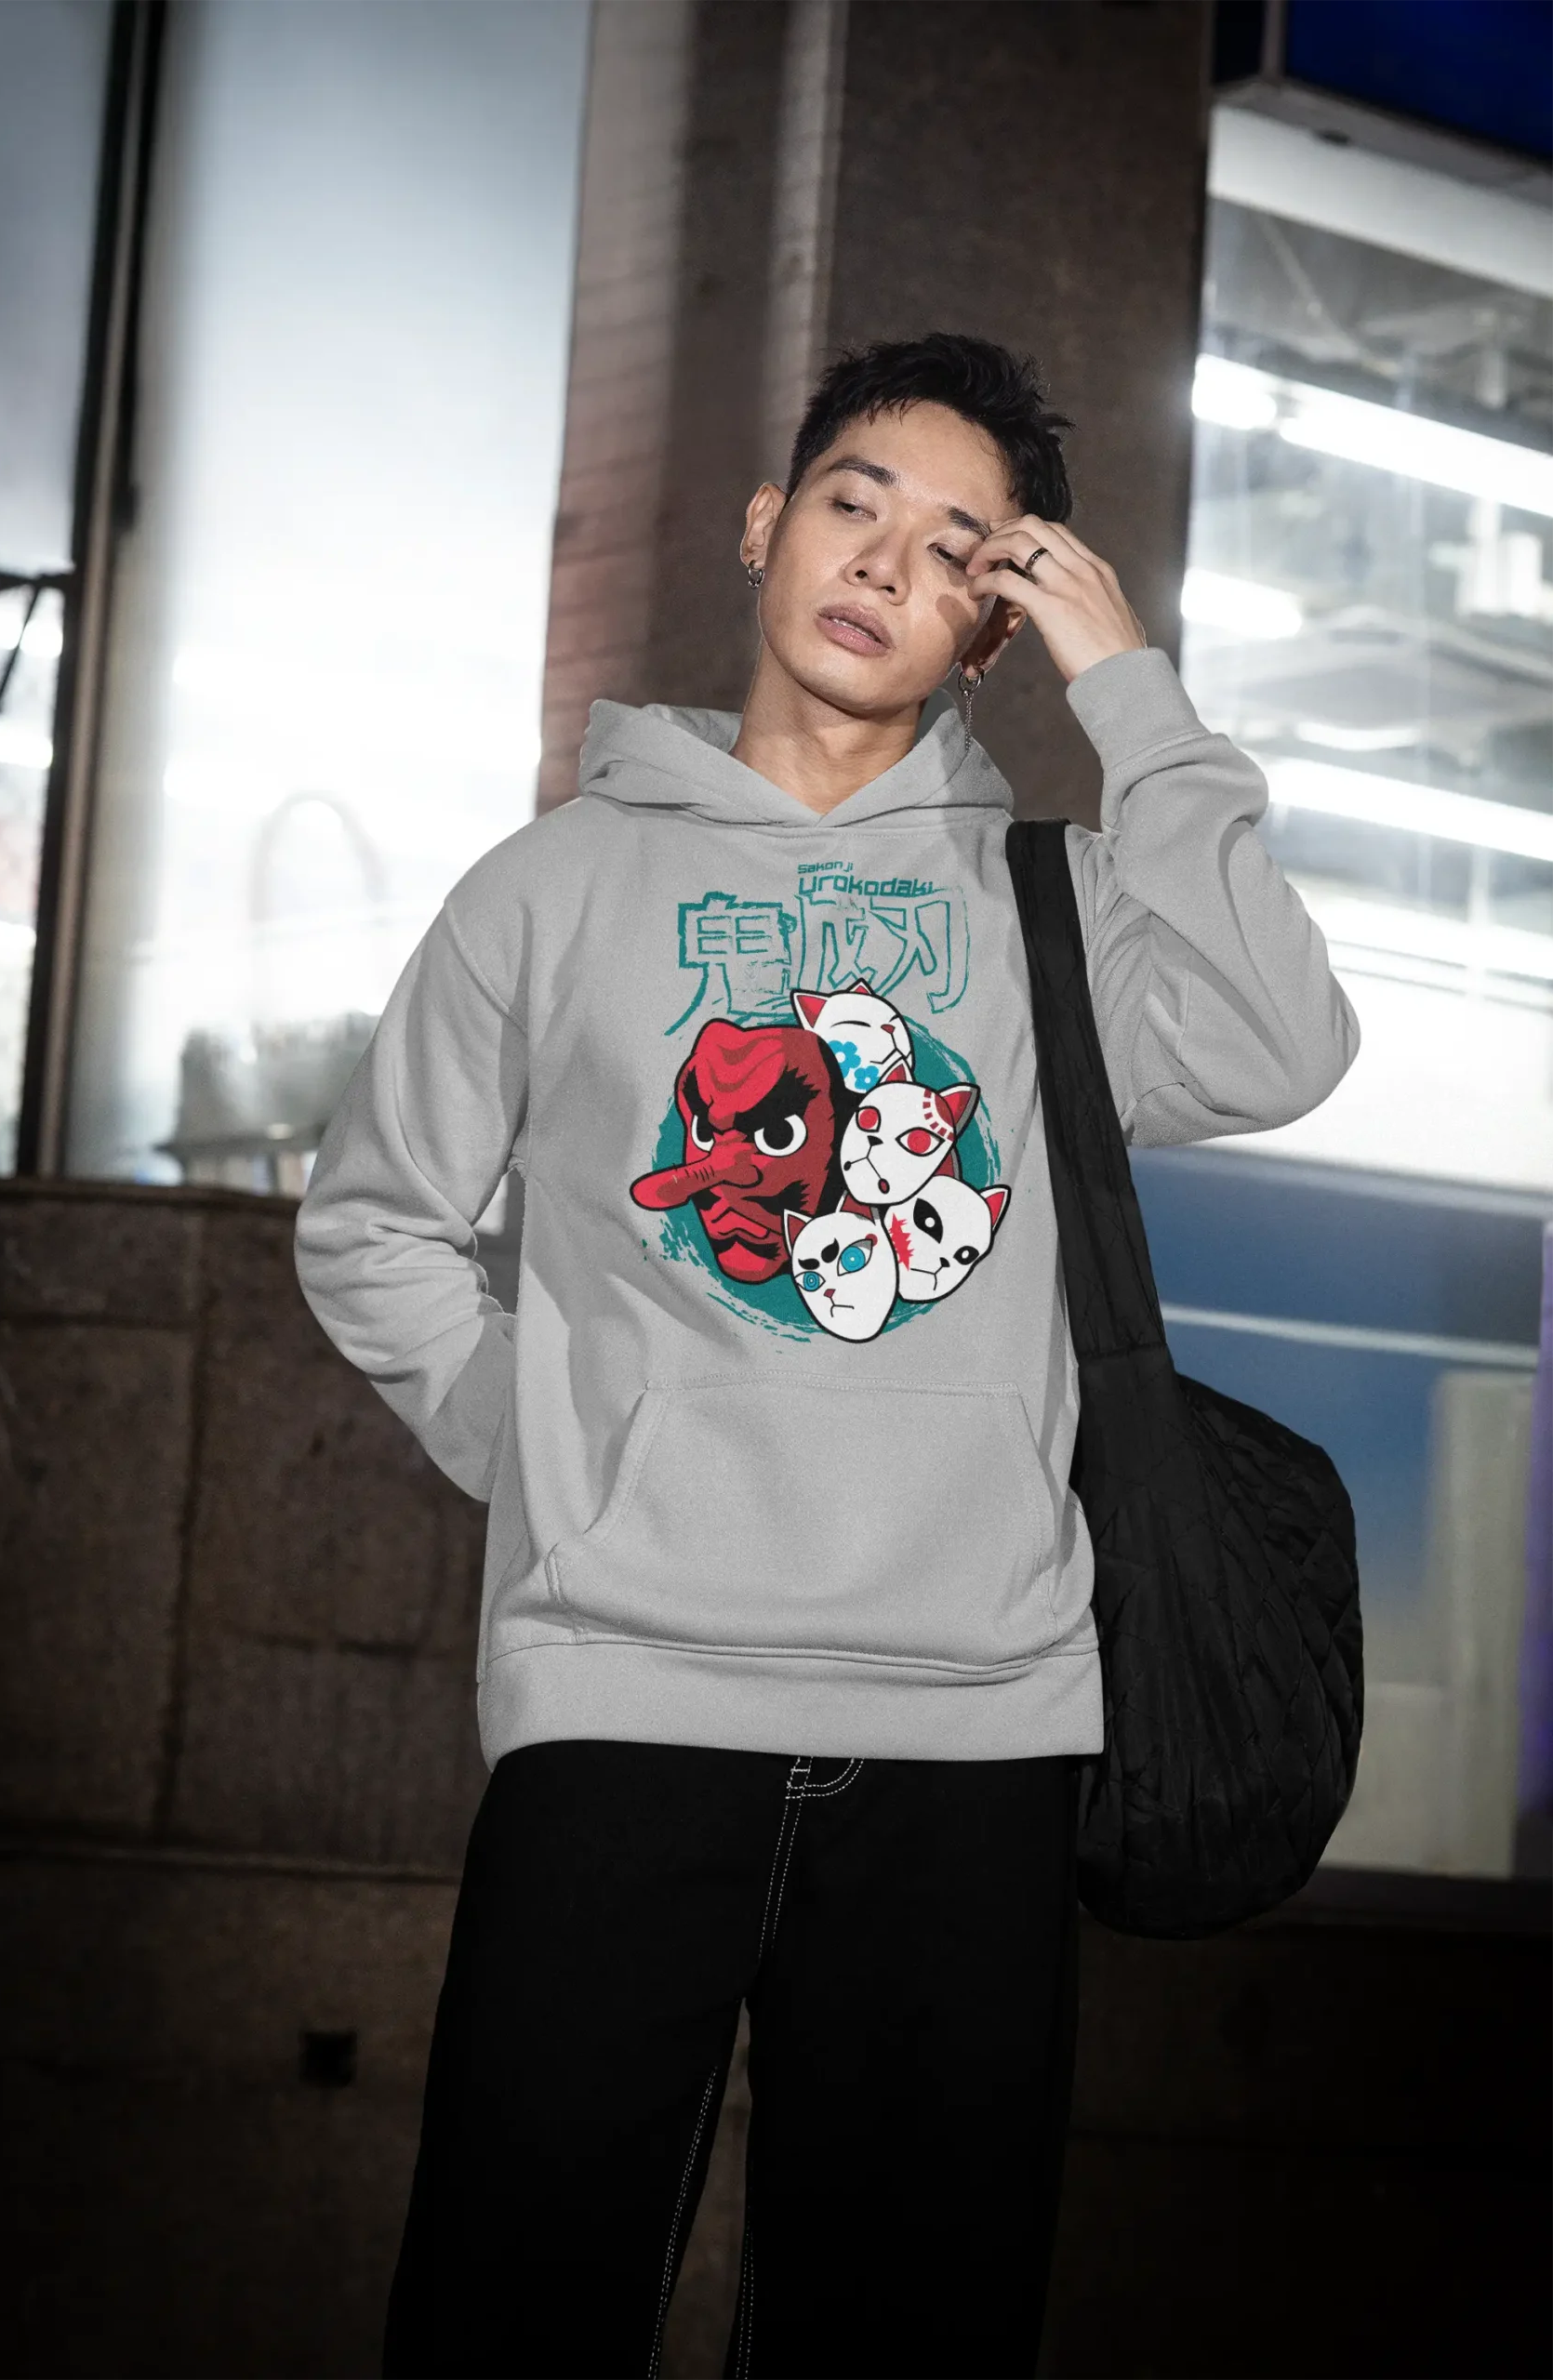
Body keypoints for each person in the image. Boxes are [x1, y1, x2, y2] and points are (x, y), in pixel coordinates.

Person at [295, 331, 1358, 2376]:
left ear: (994, 629)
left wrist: (1133, 696)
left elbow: (1281, 1042)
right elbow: (374, 1225)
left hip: (979, 1730)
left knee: (910, 2335)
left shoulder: (1045, 908)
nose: (883, 560)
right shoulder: (553, 886)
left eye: (958, 548)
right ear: (768, 524)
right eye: (855, 503)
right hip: (625, 1700)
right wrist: (566, 1451)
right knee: (513, 2308)